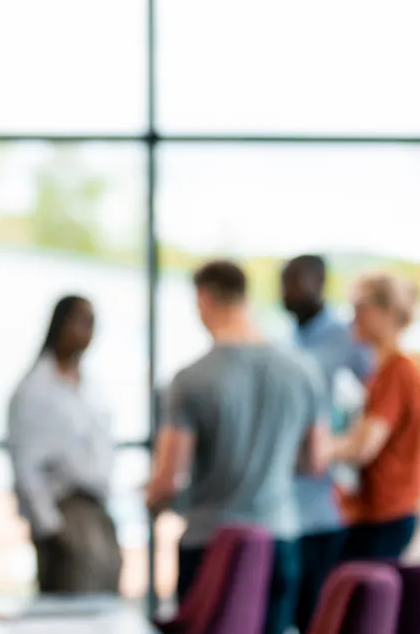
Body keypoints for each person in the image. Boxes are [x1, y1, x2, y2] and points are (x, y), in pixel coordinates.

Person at [146, 260, 330, 634]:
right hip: (279, 537)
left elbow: (168, 479)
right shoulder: (303, 369)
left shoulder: (190, 379)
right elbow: (315, 461)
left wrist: (152, 501)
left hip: (210, 545)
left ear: (204, 299)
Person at [280, 255, 373, 632]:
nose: (288, 291)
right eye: (284, 282)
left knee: (319, 615)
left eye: (297, 282)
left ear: (320, 283)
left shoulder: (346, 338)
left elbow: (375, 399)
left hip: (325, 502)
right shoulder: (283, 339)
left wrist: (341, 446)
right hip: (285, 503)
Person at [7, 295, 121, 594]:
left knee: (103, 611)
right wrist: (49, 527)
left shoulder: (89, 386)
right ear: (61, 324)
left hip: (98, 512)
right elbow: (25, 464)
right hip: (65, 515)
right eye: (83, 322)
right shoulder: (35, 388)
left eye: (93, 324)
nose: (89, 332)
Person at [332, 272, 420, 561]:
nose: (354, 318)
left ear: (386, 312)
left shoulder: (399, 370)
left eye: (361, 308)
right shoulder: (380, 371)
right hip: (373, 510)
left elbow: (365, 446)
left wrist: (321, 450)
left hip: (386, 513)